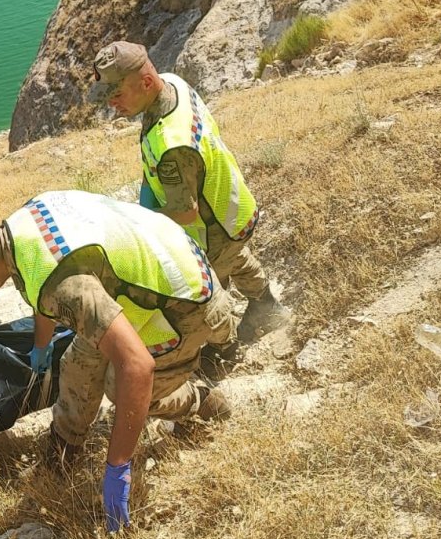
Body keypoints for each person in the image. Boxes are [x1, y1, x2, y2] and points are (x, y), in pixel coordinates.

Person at [0, 190, 236, 532]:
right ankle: (62, 452)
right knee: (77, 364)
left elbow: (138, 366)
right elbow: (41, 284)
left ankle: (200, 400)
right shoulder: (22, 224)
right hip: (151, 269)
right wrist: (40, 346)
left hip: (183, 302)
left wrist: (118, 466)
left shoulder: (63, 284)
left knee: (124, 389)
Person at [88, 41, 290, 342]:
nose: (111, 104)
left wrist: (140, 220)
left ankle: (224, 342)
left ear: (145, 82)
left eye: (117, 94)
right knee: (235, 256)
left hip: (212, 228)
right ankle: (266, 306)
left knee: (205, 294)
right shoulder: (172, 83)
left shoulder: (172, 144)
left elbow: (185, 211)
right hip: (232, 207)